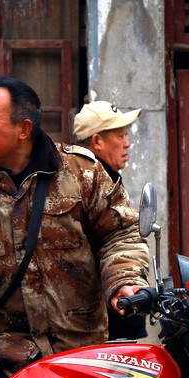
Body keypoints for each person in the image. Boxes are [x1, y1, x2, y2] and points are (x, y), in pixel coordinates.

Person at [0, 77, 150, 378]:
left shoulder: (81, 173)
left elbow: (119, 234)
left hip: (80, 352)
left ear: (24, 129)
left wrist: (124, 279)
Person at [72, 100, 147, 340]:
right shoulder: (84, 185)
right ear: (97, 142)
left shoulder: (108, 178)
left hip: (114, 305)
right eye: (120, 136)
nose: (127, 143)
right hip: (99, 320)